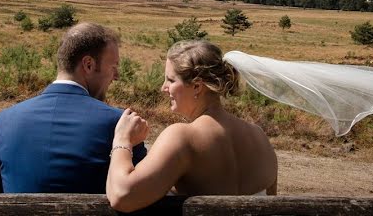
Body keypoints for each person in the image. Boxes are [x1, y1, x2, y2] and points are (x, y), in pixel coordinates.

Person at [106, 41, 277, 212]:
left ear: (197, 86)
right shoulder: (260, 137)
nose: (163, 88)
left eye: (170, 80)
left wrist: (122, 140)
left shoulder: (182, 138)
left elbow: (122, 196)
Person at [0, 22, 146, 193]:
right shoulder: (121, 124)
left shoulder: (5, 119)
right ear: (88, 65)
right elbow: (141, 194)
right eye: (113, 66)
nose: (116, 76)